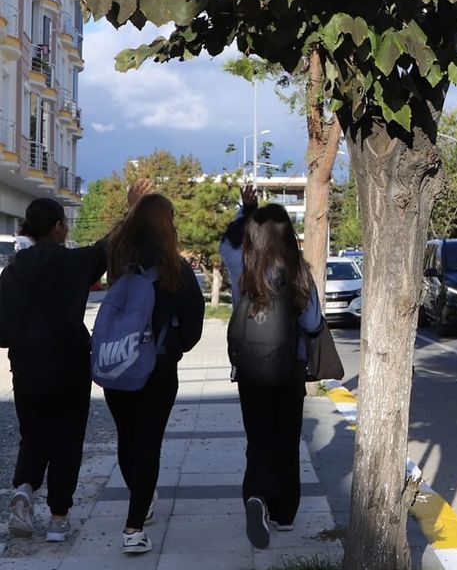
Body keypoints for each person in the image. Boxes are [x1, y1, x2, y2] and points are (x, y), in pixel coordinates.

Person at [0, 197, 112, 542]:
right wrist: (134, 209)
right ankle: (59, 519)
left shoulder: (12, 271)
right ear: (58, 227)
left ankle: (23, 489)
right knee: (67, 440)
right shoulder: (72, 262)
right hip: (68, 365)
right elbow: (105, 249)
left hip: (27, 367)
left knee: (33, 434)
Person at [103, 193, 204, 554]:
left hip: (117, 363)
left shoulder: (118, 260)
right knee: (148, 443)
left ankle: (140, 502)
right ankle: (133, 527)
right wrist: (173, 345)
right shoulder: (175, 268)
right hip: (158, 369)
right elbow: (193, 328)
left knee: (127, 439)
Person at [221, 200, 323, 549]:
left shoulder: (242, 268)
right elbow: (311, 323)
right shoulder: (298, 271)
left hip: (249, 368)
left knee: (258, 437)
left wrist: (243, 212)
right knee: (287, 438)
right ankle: (284, 513)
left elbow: (225, 244)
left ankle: (255, 495)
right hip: (289, 368)